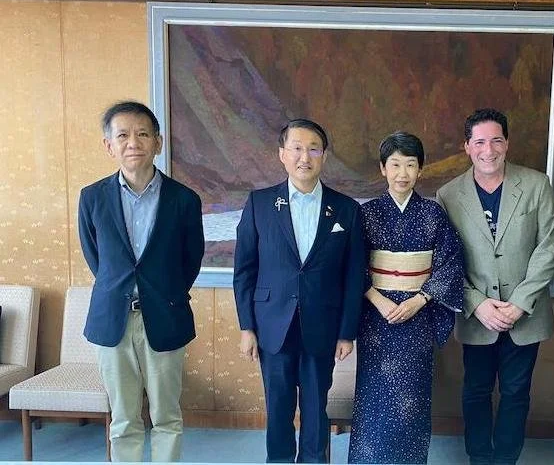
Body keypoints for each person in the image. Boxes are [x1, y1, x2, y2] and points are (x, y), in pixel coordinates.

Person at [78, 101, 205, 462]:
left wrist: (162, 294)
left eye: (142, 134)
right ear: (109, 145)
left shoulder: (184, 199)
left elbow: (190, 259)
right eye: (123, 135)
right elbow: (97, 259)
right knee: (123, 419)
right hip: (112, 321)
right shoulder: (92, 197)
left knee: (166, 416)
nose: (133, 142)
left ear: (158, 142)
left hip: (165, 316)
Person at [233, 118, 366, 463]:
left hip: (322, 327)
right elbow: (244, 270)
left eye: (313, 149)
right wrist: (246, 327)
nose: (304, 157)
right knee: (277, 410)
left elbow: (353, 277)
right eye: (296, 148)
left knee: (315, 410)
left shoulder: (347, 209)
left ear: (324, 156)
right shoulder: (260, 203)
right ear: (282, 154)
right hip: (271, 326)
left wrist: (347, 332)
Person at [436, 108, 554, 465]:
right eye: (479, 142)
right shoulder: (448, 194)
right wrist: (477, 304)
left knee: (516, 392)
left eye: (495, 140)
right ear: (467, 147)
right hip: (478, 316)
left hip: (526, 314)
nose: (487, 150)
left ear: (507, 143)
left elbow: (548, 247)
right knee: (475, 391)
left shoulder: (536, 184)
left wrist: (520, 302)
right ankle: (479, 457)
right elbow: (445, 259)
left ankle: (506, 459)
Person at [348, 132, 464, 464]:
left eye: (410, 165)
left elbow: (451, 262)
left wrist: (420, 299)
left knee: (412, 400)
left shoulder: (433, 214)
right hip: (376, 318)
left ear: (420, 169)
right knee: (374, 397)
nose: (403, 173)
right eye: (395, 164)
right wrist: (379, 299)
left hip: (418, 318)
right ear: (383, 168)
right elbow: (353, 264)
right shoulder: (366, 214)